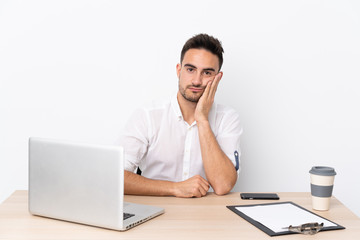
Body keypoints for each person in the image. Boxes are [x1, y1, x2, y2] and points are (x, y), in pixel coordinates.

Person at [119, 33, 242, 198]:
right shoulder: (148, 116)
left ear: (217, 78)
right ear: (179, 70)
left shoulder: (227, 118)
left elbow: (222, 185)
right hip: (155, 212)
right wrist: (174, 188)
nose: (197, 81)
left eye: (207, 73)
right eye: (190, 70)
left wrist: (202, 120)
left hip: (206, 215)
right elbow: (116, 176)